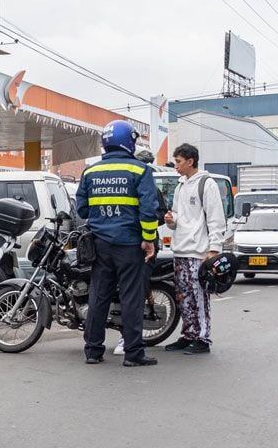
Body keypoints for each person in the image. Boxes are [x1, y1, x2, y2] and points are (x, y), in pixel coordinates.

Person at [75, 120, 160, 367]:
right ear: (128, 142)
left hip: (100, 244)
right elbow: (148, 209)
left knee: (99, 296)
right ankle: (133, 354)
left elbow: (81, 208)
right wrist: (148, 240)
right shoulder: (140, 170)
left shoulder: (90, 172)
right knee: (131, 298)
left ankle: (92, 351)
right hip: (130, 244)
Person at [162, 143, 227, 355]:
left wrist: (214, 249)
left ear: (190, 161)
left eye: (179, 162)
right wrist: (171, 221)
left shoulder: (207, 184)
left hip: (198, 252)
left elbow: (216, 218)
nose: (176, 166)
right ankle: (188, 334)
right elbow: (178, 216)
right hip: (180, 249)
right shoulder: (180, 185)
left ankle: (202, 338)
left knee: (199, 297)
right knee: (183, 296)